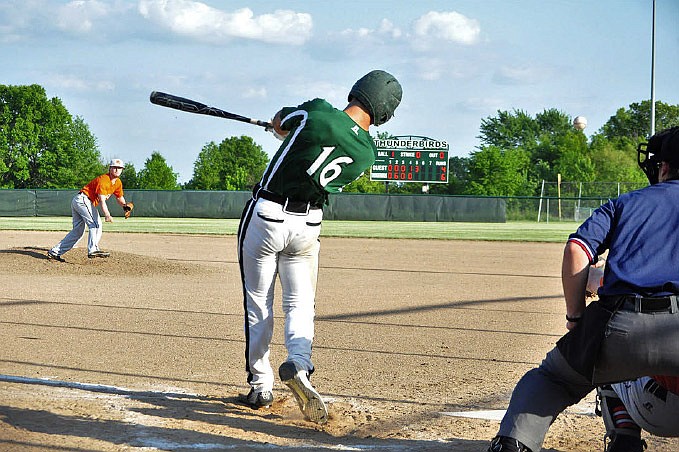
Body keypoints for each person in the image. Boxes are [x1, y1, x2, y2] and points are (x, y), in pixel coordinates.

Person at [488, 126, 679, 452]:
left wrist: (576, 318)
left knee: (554, 378)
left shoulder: (627, 203)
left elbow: (577, 250)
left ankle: (517, 444)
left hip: (624, 329)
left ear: (663, 167)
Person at [236, 70, 402, 423]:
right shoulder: (367, 153)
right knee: (300, 302)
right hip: (309, 225)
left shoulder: (319, 112)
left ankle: (261, 385)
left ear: (356, 90)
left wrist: (277, 126)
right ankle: (299, 362)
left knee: (258, 301)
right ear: (385, 113)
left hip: (267, 214)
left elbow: (284, 120)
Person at [47, 159, 130, 261]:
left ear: (122, 170)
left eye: (120, 168)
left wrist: (125, 206)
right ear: (110, 168)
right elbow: (102, 201)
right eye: (115, 167)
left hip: (81, 201)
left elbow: (119, 197)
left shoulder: (118, 183)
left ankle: (54, 252)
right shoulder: (104, 180)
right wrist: (107, 214)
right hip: (83, 200)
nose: (117, 170)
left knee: (78, 232)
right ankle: (93, 249)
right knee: (95, 224)